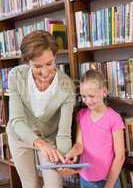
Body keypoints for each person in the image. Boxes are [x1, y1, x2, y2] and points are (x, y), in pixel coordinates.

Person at [6, 30, 75, 188]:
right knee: (30, 184)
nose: (45, 72)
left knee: (54, 185)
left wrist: (64, 160)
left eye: (49, 63)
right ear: (27, 62)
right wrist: (39, 143)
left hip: (48, 138)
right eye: (37, 66)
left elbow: (63, 133)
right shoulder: (15, 76)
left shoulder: (67, 87)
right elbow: (17, 120)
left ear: (55, 57)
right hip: (19, 137)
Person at [59, 70, 125, 188]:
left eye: (91, 96)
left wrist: (109, 185)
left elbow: (120, 157)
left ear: (104, 92)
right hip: (86, 180)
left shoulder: (114, 118)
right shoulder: (81, 115)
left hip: (108, 181)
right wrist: (72, 153)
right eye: (83, 96)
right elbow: (79, 144)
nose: (88, 101)